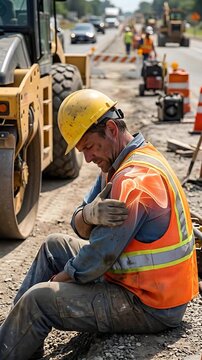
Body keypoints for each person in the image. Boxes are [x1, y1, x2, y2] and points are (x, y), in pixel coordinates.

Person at [0, 89, 199, 360]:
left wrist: (63, 277)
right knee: (53, 246)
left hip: (151, 304)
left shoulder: (134, 182)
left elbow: (99, 256)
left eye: (90, 147)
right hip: (134, 282)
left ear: (111, 129)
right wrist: (89, 214)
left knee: (39, 300)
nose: (88, 158)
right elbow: (77, 223)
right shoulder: (118, 164)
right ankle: (17, 338)